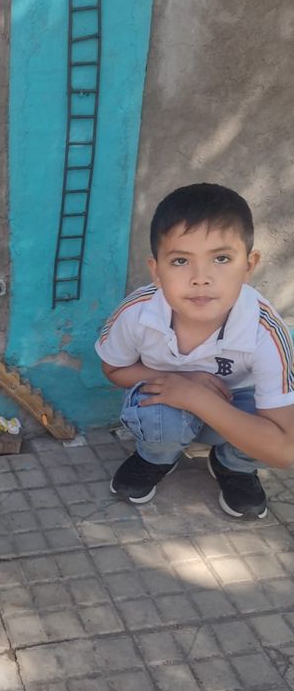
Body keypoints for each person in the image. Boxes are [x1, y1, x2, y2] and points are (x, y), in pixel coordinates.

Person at [96, 183, 294, 518]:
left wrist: (195, 396)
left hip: (235, 407)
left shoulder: (266, 332)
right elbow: (113, 369)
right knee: (154, 411)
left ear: (249, 265)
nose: (201, 278)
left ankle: (233, 465)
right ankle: (156, 457)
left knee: (275, 425)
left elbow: (284, 451)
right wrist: (182, 380)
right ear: (156, 270)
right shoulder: (137, 313)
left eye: (221, 258)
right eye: (180, 261)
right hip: (167, 408)